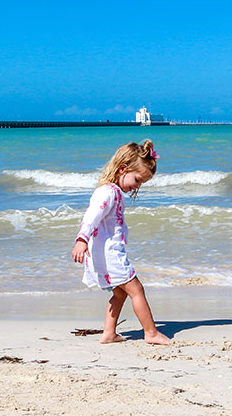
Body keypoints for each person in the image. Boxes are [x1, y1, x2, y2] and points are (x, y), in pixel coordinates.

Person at [71, 139, 171, 344]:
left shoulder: (113, 192)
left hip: (106, 253)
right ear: (123, 168)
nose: (137, 186)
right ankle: (151, 333)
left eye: (141, 183)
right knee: (137, 290)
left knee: (120, 293)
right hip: (110, 255)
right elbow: (91, 217)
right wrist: (81, 239)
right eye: (137, 180)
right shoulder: (107, 192)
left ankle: (109, 333)